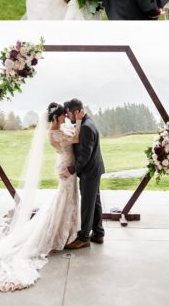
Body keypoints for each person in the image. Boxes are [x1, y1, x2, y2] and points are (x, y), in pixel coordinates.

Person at [0, 104, 83, 291]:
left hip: (67, 164)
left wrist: (71, 122)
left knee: (68, 199)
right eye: (62, 116)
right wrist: (78, 120)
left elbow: (72, 134)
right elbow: (76, 138)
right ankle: (58, 234)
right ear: (55, 118)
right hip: (65, 167)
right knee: (64, 198)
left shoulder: (60, 128)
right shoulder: (53, 134)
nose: (64, 119)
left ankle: (68, 231)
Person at [63, 99, 105, 250]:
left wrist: (73, 169)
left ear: (76, 112)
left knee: (87, 204)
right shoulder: (86, 122)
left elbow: (85, 154)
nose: (67, 117)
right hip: (94, 169)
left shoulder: (86, 127)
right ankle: (98, 233)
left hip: (90, 171)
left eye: (68, 114)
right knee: (95, 201)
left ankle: (84, 237)